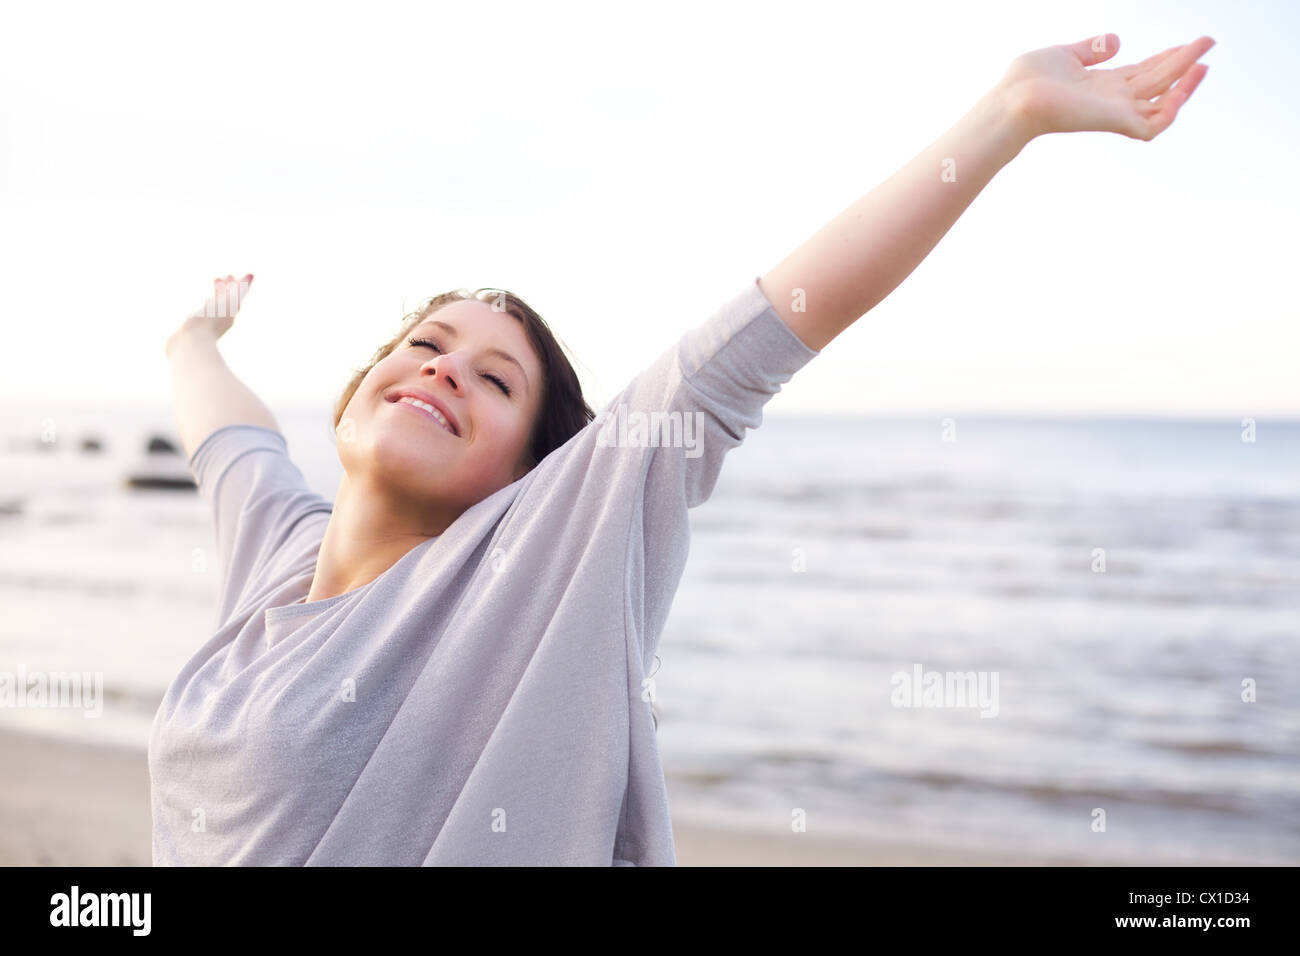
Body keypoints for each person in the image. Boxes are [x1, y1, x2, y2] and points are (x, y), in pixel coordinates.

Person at [150, 33, 1214, 866]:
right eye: (426, 345)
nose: (441, 370)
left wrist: (1006, 116)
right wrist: (196, 329)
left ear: (530, 478)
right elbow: (222, 423)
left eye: (493, 378)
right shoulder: (275, 556)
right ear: (355, 393)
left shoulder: (524, 569)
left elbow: (741, 347)